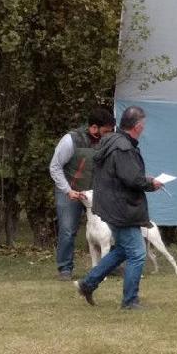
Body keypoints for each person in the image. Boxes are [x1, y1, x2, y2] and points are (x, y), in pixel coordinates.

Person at [75, 106, 163, 310]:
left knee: (123, 249)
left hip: (109, 204)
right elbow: (131, 179)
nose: (144, 128)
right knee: (137, 253)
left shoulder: (111, 140)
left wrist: (143, 180)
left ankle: (87, 284)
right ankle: (130, 301)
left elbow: (121, 175)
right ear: (138, 126)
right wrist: (151, 183)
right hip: (122, 208)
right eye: (144, 125)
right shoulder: (123, 148)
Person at [49, 107, 116, 281]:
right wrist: (67, 190)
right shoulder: (70, 140)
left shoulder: (107, 142)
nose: (108, 135)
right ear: (94, 127)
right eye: (106, 131)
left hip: (95, 194)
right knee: (67, 230)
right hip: (70, 190)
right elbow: (55, 167)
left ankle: (110, 265)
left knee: (112, 227)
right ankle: (65, 269)